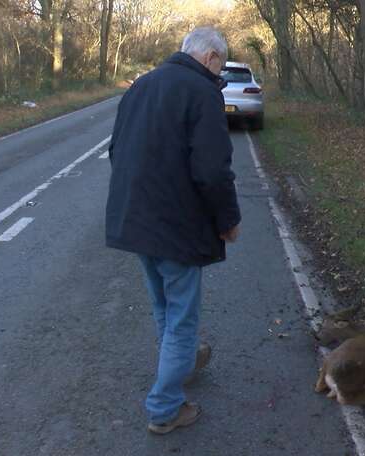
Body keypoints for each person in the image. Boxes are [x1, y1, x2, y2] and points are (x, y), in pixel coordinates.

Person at [105, 27, 241, 435]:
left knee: (164, 308)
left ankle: (178, 368)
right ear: (212, 58)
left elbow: (116, 151)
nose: (220, 73)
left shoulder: (141, 86)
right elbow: (213, 171)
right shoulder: (202, 93)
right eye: (221, 65)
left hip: (137, 221)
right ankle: (165, 407)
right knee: (182, 318)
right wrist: (227, 220)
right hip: (177, 227)